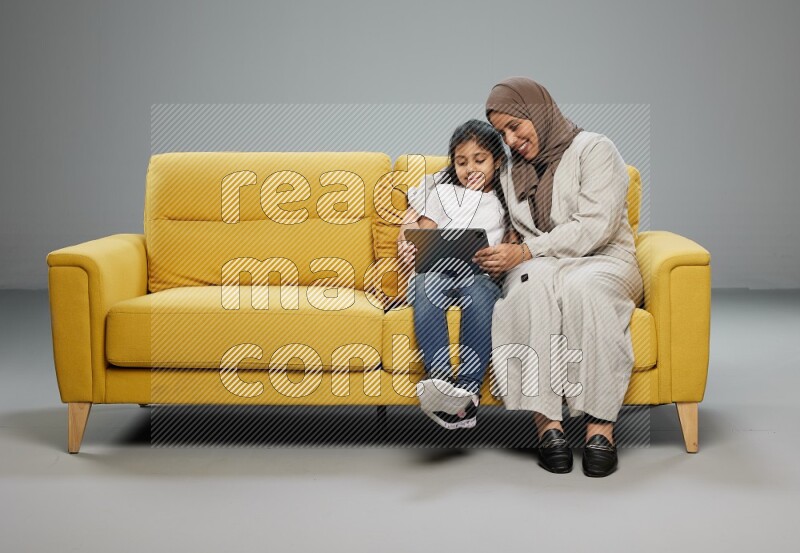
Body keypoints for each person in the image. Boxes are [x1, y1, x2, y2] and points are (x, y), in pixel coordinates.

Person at [475, 77, 644, 476]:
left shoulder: (595, 149)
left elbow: (595, 226)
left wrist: (526, 251)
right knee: (526, 288)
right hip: (543, 264)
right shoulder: (510, 172)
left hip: (603, 258)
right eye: (502, 134)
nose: (511, 140)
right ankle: (547, 427)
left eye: (515, 126)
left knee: (584, 288)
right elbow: (469, 191)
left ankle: (600, 430)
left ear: (538, 111)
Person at [397, 120, 511, 430]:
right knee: (425, 284)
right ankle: (441, 383)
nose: (470, 168)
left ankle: (468, 391)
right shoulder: (442, 193)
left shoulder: (504, 200)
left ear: (497, 162)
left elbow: (511, 243)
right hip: (437, 270)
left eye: (479, 160)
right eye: (461, 162)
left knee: (479, 295)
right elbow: (424, 234)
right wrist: (410, 246)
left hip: (480, 275)